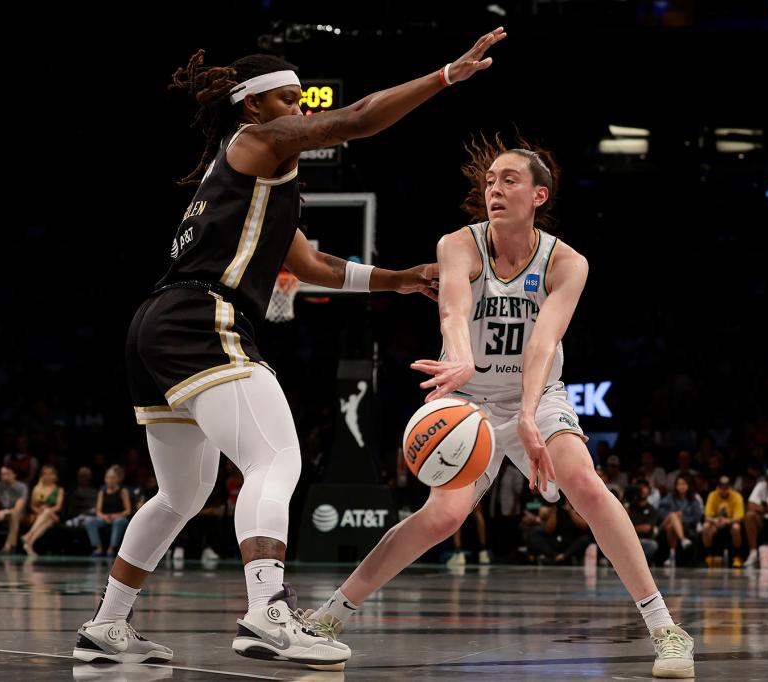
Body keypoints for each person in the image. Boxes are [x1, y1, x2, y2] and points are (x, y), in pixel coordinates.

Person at [72, 28, 509, 668]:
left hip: (158, 326)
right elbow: (357, 118)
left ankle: (106, 626)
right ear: (253, 105)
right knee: (275, 459)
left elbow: (312, 264)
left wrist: (400, 279)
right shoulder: (253, 141)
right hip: (202, 317)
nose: (304, 111)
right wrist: (445, 75)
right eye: (291, 100)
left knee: (181, 495)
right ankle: (267, 613)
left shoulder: (253, 179)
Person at [306, 133, 695, 677]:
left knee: (584, 483)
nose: (494, 188)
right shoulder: (458, 244)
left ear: (540, 194)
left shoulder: (567, 263)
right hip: (468, 399)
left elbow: (542, 344)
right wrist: (461, 358)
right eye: (490, 180)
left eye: (509, 179)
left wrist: (532, 417)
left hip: (535, 394)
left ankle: (666, 629)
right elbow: (453, 311)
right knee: (440, 516)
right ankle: (330, 614)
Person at [84, 465, 132, 558]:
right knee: (89, 521)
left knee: (119, 522)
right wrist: (103, 517)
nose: (109, 480)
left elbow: (128, 510)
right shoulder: (102, 491)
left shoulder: (123, 491)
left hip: (119, 517)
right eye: (107, 477)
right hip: (105, 517)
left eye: (112, 477)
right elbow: (98, 511)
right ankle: (98, 548)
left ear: (118, 479)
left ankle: (111, 548)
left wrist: (115, 516)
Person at [658, 475, 703, 567]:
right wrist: (675, 516)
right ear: (675, 486)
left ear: (688, 486)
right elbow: (660, 513)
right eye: (679, 484)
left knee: (671, 527)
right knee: (672, 515)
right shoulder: (669, 497)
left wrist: (682, 519)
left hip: (685, 526)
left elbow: (696, 517)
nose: (681, 486)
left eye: (684, 484)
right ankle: (682, 539)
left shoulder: (694, 499)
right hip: (665, 523)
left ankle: (672, 556)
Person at [21, 465, 65, 558]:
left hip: (54, 516)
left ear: (54, 476)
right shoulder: (37, 488)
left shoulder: (59, 490)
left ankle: (29, 534)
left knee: (47, 512)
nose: (47, 476)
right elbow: (32, 505)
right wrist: (40, 512)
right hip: (39, 516)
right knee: (47, 522)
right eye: (45, 474)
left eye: (50, 474)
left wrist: (47, 511)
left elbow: (58, 506)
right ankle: (29, 544)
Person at [701, 476, 745, 568]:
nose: (724, 490)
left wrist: (727, 521)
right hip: (716, 523)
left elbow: (740, 517)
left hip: (731, 523)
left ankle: (737, 557)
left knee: (736, 527)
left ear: (730, 488)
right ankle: (709, 556)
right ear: (717, 487)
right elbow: (707, 516)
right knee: (705, 526)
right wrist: (715, 520)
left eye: (726, 487)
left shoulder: (737, 496)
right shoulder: (712, 495)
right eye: (721, 487)